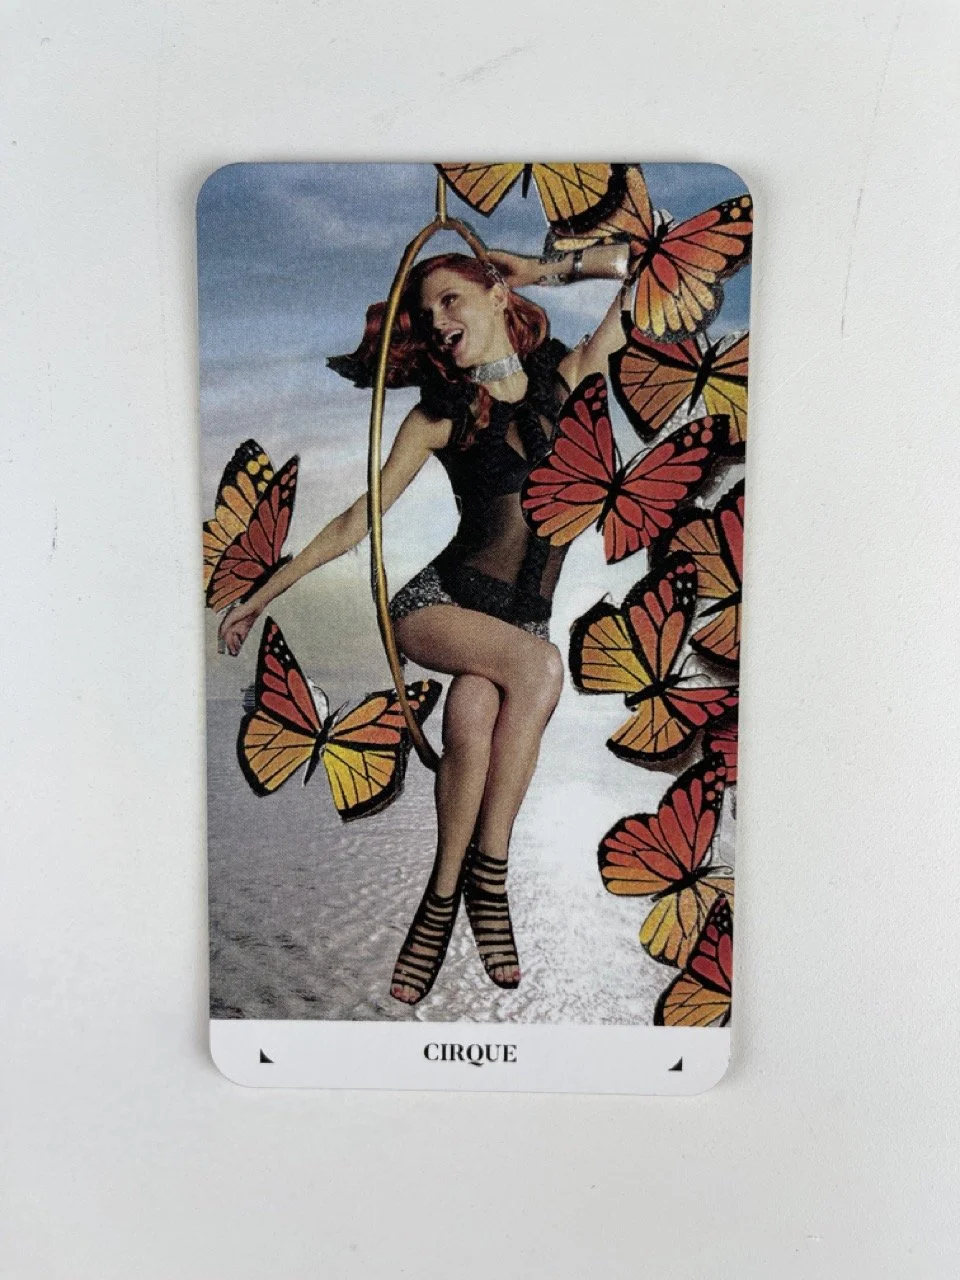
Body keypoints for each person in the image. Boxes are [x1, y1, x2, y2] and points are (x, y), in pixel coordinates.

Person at [220, 240, 633, 1005]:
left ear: (495, 295)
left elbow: (647, 266)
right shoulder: (440, 416)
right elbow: (357, 521)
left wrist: (542, 269)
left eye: (451, 299)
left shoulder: (567, 379)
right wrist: (261, 594)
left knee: (474, 715)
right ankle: (491, 880)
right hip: (436, 607)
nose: (438, 320)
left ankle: (438, 902)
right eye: (426, 310)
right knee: (541, 669)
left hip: (516, 632)